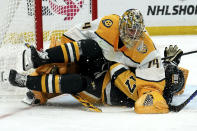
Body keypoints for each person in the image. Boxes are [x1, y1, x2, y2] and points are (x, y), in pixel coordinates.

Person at [9, 9, 189, 113]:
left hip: (106, 90)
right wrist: (170, 62)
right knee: (89, 47)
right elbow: (166, 75)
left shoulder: (152, 90)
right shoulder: (158, 74)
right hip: (104, 69)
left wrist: (116, 62)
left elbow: (130, 87)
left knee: (76, 82)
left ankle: (28, 82)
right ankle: (43, 57)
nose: (133, 35)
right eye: (130, 30)